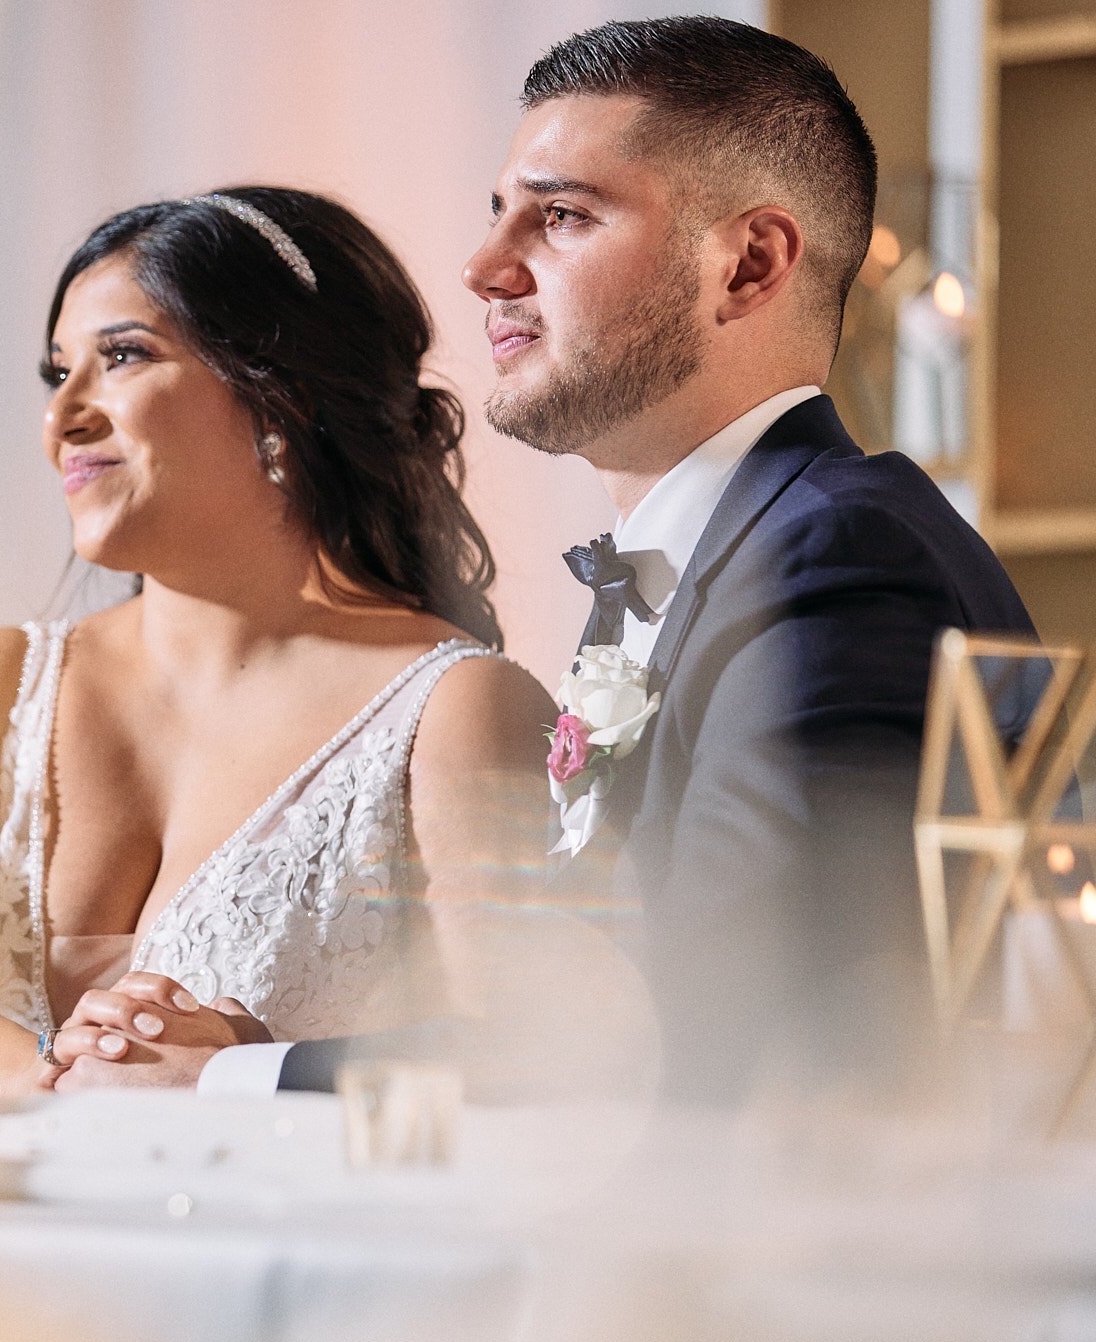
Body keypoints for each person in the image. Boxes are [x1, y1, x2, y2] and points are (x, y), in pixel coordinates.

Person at [90, 18, 1039, 1101]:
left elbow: (737, 1010)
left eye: (560, 216)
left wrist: (240, 1075)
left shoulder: (838, 555)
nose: (484, 269)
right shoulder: (716, 555)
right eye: (497, 216)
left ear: (747, 263)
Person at [0, 187, 555, 1106]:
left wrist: (245, 1070)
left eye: (121, 357)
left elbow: (538, 1060)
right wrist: (63, 1091)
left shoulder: (454, 711)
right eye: (57, 372)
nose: (63, 417)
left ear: (279, 395)